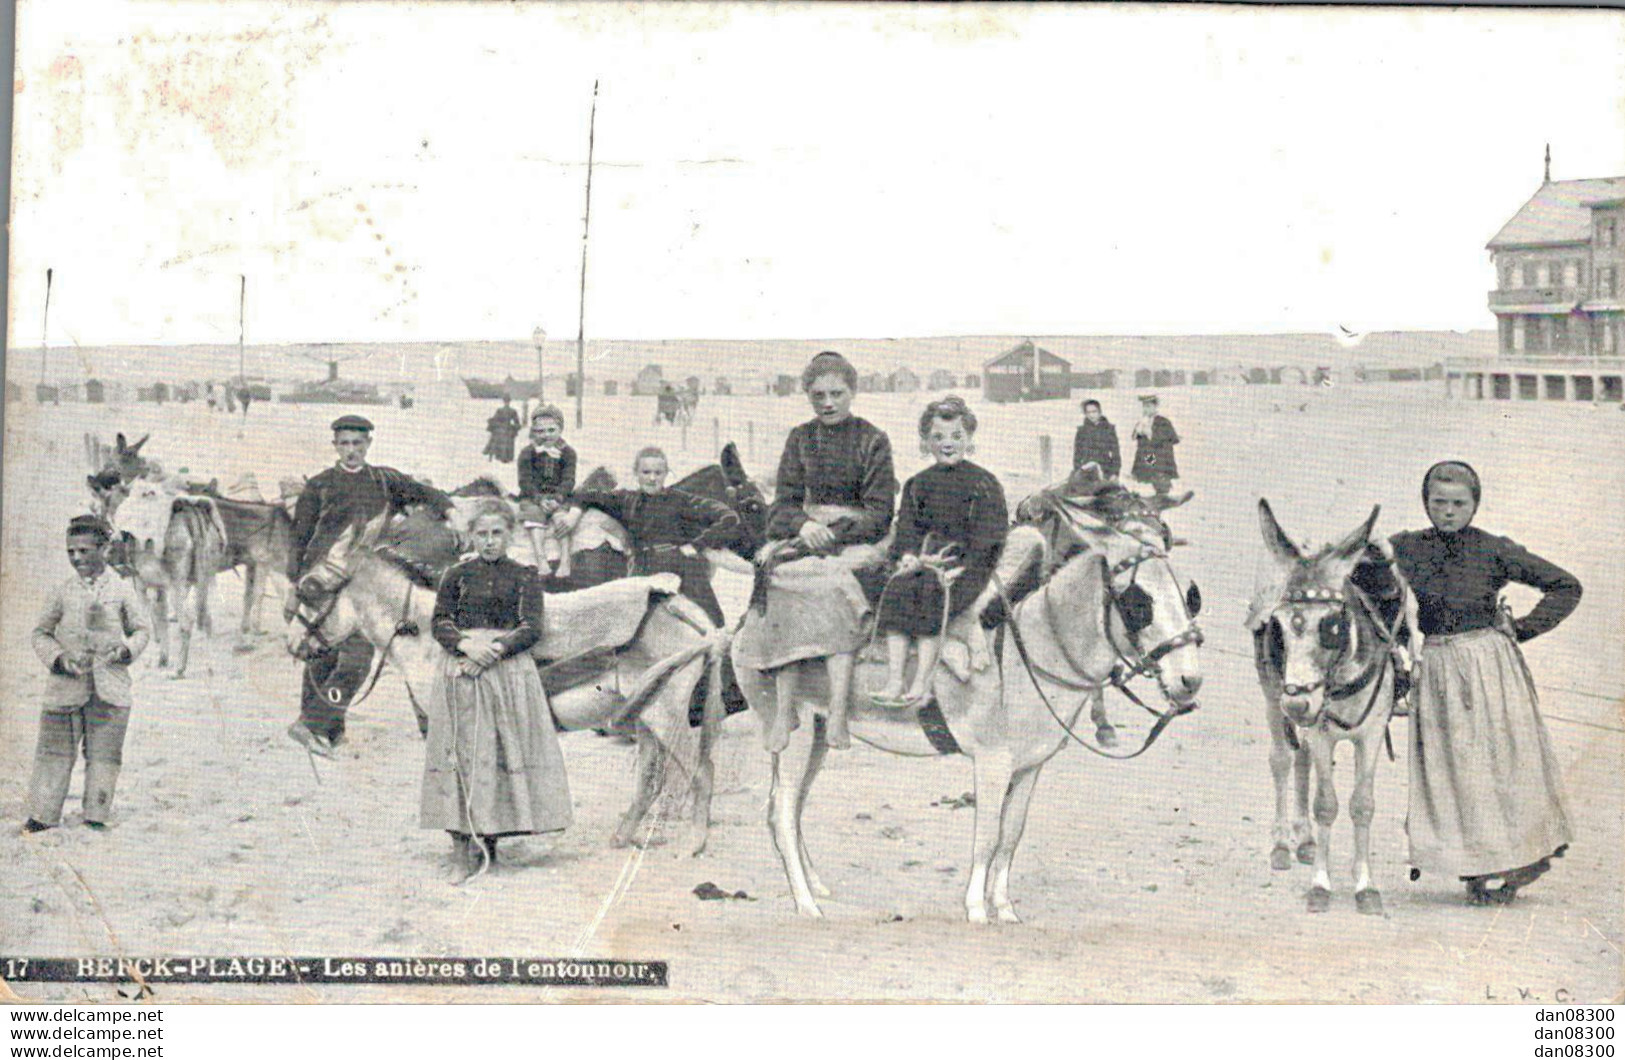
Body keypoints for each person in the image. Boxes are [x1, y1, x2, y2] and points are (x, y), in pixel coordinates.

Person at [1377, 461, 1581, 905]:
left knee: (1499, 763)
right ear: (1425, 502)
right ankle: (1472, 865)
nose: (1448, 512)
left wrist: (1523, 629)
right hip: (1437, 666)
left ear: (1474, 504)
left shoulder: (1493, 549)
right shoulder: (1405, 548)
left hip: (1490, 666)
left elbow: (1566, 586)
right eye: (1438, 503)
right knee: (1453, 768)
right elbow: (1366, 582)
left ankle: (1518, 861)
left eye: (1458, 503)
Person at [736, 350, 898, 751]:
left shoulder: (873, 440)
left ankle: (838, 710)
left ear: (852, 392)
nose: (827, 403)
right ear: (808, 395)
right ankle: (785, 707)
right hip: (807, 534)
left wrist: (835, 533)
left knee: (831, 581)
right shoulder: (800, 438)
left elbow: (880, 513)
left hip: (861, 538)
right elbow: (783, 505)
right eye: (818, 395)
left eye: (836, 394)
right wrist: (804, 526)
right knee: (779, 575)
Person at [285, 414, 454, 756]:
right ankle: (322, 729)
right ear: (335, 446)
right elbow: (299, 541)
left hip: (365, 583)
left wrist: (450, 510)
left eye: (357, 444)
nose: (351, 451)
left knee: (366, 654)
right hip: (323, 583)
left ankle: (318, 724)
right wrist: (296, 587)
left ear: (368, 445)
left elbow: (425, 492)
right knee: (324, 654)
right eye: (344, 443)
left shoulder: (383, 480)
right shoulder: (319, 486)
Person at [422, 501, 571, 879]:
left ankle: (490, 843)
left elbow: (531, 626)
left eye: (497, 533)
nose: (490, 542)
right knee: (461, 754)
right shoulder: (455, 575)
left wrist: (493, 651)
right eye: (482, 534)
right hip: (461, 673)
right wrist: (465, 646)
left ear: (511, 534)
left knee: (498, 753)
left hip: (506, 673)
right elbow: (440, 621)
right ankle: (459, 849)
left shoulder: (523, 575)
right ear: (471, 536)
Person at [873, 397, 1007, 708]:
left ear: (969, 440)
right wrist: (906, 555)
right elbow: (907, 528)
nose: (948, 444)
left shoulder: (984, 484)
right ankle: (894, 681)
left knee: (930, 592)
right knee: (898, 586)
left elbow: (990, 538)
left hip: (968, 568)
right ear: (926, 442)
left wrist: (962, 567)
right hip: (925, 562)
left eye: (956, 436)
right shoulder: (916, 485)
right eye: (938, 437)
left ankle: (921, 682)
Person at [23, 516, 151, 833]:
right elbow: (41, 633)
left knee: (105, 755)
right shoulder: (62, 591)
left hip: (111, 689)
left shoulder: (122, 589)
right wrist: (59, 658)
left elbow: (142, 630)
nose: (77, 558)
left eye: (84, 550)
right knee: (53, 752)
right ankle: (43, 814)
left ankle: (96, 814)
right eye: (71, 551)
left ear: (104, 549)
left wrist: (126, 651)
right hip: (64, 690)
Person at [556, 446, 740, 626]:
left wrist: (696, 545)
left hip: (680, 564)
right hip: (642, 567)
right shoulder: (625, 499)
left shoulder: (680, 499)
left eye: (658, 473)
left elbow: (729, 517)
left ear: (666, 473)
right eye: (646, 472)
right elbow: (585, 495)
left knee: (715, 621)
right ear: (636, 472)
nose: (652, 478)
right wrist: (573, 515)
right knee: (623, 627)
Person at [515, 405, 578, 570]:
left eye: (551, 430)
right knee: (535, 517)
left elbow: (568, 480)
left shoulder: (568, 453)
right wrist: (539, 499)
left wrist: (558, 498)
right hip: (534, 496)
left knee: (562, 520)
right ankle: (541, 558)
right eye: (540, 431)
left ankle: (565, 559)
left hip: (559, 496)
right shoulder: (527, 453)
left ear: (561, 429)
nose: (546, 435)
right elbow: (525, 481)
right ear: (534, 431)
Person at [1131, 394, 1181, 496]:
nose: (1146, 409)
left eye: (1149, 406)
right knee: (1146, 483)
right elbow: (1135, 438)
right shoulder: (1141, 422)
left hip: (1160, 458)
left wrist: (1150, 434)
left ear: (1155, 407)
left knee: (1160, 482)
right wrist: (1139, 431)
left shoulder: (1163, 422)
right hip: (1146, 457)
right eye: (1144, 406)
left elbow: (1172, 439)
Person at [1072, 398, 1121, 480]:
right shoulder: (1082, 431)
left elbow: (1116, 453)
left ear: (1100, 412)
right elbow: (1077, 454)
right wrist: (1078, 470)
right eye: (1088, 412)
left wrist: (1115, 473)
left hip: (1105, 470)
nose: (1091, 415)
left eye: (1094, 412)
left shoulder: (1109, 429)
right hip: (1087, 471)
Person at [483, 397, 522, 464]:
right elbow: (517, 423)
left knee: (496, 436)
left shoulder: (500, 410)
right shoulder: (512, 411)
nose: (506, 403)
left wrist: (491, 422)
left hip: (500, 430)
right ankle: (506, 457)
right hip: (507, 430)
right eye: (506, 401)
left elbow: (495, 419)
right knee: (506, 437)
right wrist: (514, 428)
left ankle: (496, 455)